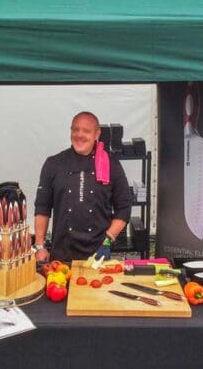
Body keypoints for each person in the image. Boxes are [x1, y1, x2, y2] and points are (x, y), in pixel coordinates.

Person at [34, 111, 133, 263]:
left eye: (86, 131)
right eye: (75, 129)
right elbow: (42, 207)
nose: (79, 135)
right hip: (61, 255)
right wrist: (40, 246)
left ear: (97, 134)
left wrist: (108, 240)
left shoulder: (112, 166)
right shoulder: (53, 164)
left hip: (97, 256)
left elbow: (124, 208)